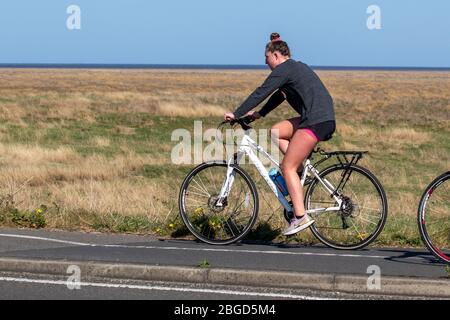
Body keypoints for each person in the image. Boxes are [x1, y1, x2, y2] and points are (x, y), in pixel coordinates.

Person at [224, 32, 336, 236]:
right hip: (317, 118)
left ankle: (300, 217)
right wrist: (259, 114)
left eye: (266, 58)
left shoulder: (285, 69)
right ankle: (299, 171)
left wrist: (236, 113)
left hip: (315, 121)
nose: (265, 62)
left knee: (287, 166)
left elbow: (262, 91)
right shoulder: (295, 68)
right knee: (276, 131)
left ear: (276, 55)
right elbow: (279, 95)